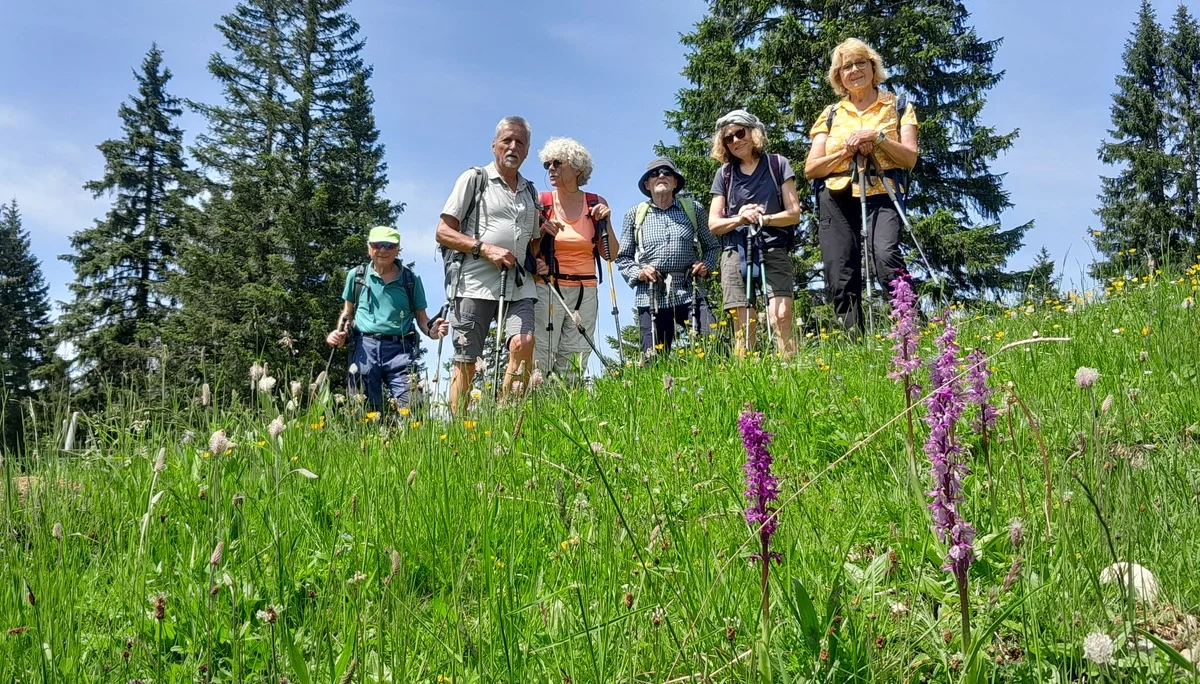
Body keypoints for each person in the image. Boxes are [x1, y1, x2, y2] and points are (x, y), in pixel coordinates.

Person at [435, 116, 553, 414]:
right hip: (473, 282)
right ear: (494, 145)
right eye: (507, 141)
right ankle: (460, 429)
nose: (513, 147)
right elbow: (443, 232)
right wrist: (484, 248)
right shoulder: (474, 179)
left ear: (527, 151)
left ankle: (506, 417)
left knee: (524, 342)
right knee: (466, 359)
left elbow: (531, 242)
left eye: (520, 143)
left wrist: (537, 260)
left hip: (518, 282)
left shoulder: (530, 192)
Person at [804, 38, 919, 335]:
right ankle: (853, 342)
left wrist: (877, 138)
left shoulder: (898, 105)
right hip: (836, 194)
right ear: (838, 76)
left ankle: (911, 330)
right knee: (840, 271)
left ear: (873, 67)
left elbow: (909, 158)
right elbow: (811, 168)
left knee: (885, 255)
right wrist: (846, 150)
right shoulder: (830, 114)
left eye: (860, 63)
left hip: (883, 190)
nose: (854, 70)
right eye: (846, 67)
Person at [708, 109, 803, 357]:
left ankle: (788, 369)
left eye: (740, 133)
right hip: (735, 249)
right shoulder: (724, 174)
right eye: (728, 138)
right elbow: (714, 223)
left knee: (781, 315)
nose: (735, 141)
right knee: (743, 322)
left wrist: (765, 218)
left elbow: (794, 213)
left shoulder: (777, 164)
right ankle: (745, 378)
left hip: (773, 245)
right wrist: (740, 217)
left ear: (754, 133)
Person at [326, 225, 449, 410]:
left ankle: (408, 438)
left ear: (398, 249)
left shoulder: (411, 280)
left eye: (389, 245)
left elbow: (422, 318)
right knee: (363, 409)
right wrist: (339, 334)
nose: (383, 250)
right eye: (377, 244)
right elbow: (347, 313)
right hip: (363, 348)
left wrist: (431, 331)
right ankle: (369, 439)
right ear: (369, 248)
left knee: (413, 405)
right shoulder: (357, 276)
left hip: (400, 348)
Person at [616, 157, 719, 359]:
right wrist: (641, 272)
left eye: (667, 172)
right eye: (654, 174)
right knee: (653, 358)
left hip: (690, 289)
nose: (661, 176)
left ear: (675, 182)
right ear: (647, 184)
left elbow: (712, 247)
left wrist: (705, 265)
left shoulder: (693, 209)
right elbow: (623, 258)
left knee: (712, 344)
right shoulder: (634, 215)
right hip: (652, 293)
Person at [531, 137, 618, 380]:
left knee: (575, 357)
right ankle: (540, 410)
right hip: (548, 288)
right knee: (542, 355)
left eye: (557, 163)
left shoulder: (596, 203)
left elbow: (611, 253)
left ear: (577, 168)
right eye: (547, 164)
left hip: (586, 290)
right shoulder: (542, 202)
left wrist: (606, 222)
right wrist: (540, 233)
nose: (551, 168)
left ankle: (567, 407)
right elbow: (529, 251)